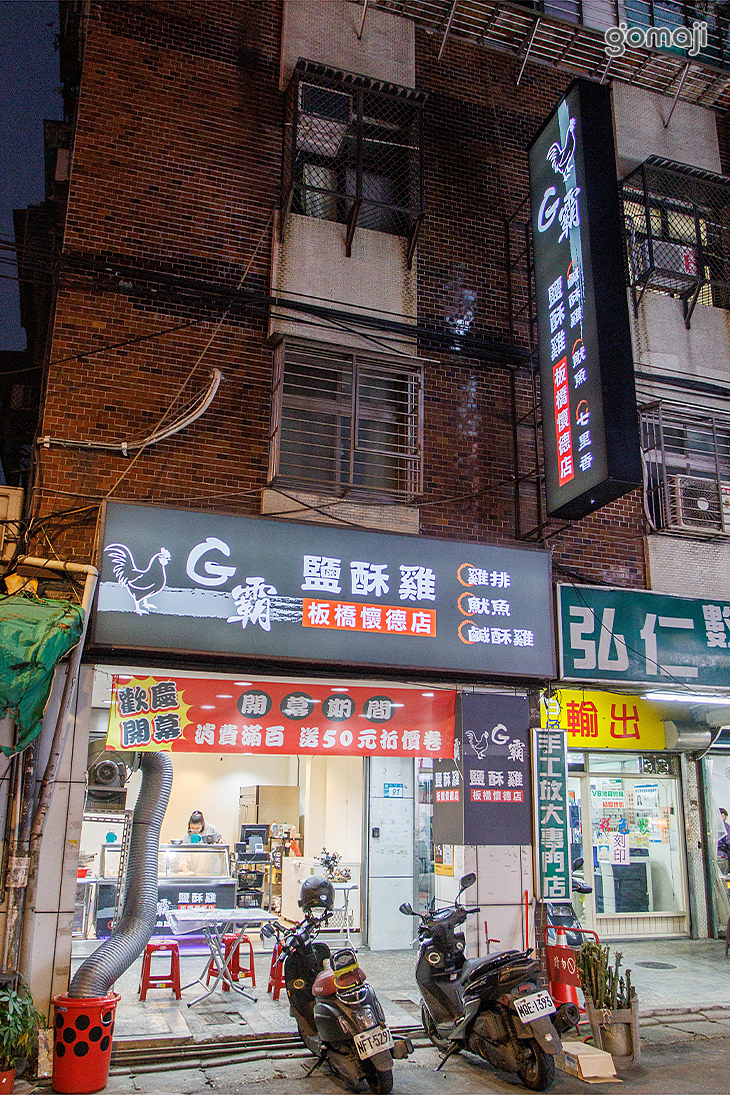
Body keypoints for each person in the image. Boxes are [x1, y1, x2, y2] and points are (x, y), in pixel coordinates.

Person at [716, 807, 730, 875]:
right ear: (722, 815)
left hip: (711, 856)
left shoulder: (710, 825)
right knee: (723, 878)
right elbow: (728, 841)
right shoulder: (725, 827)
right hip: (722, 856)